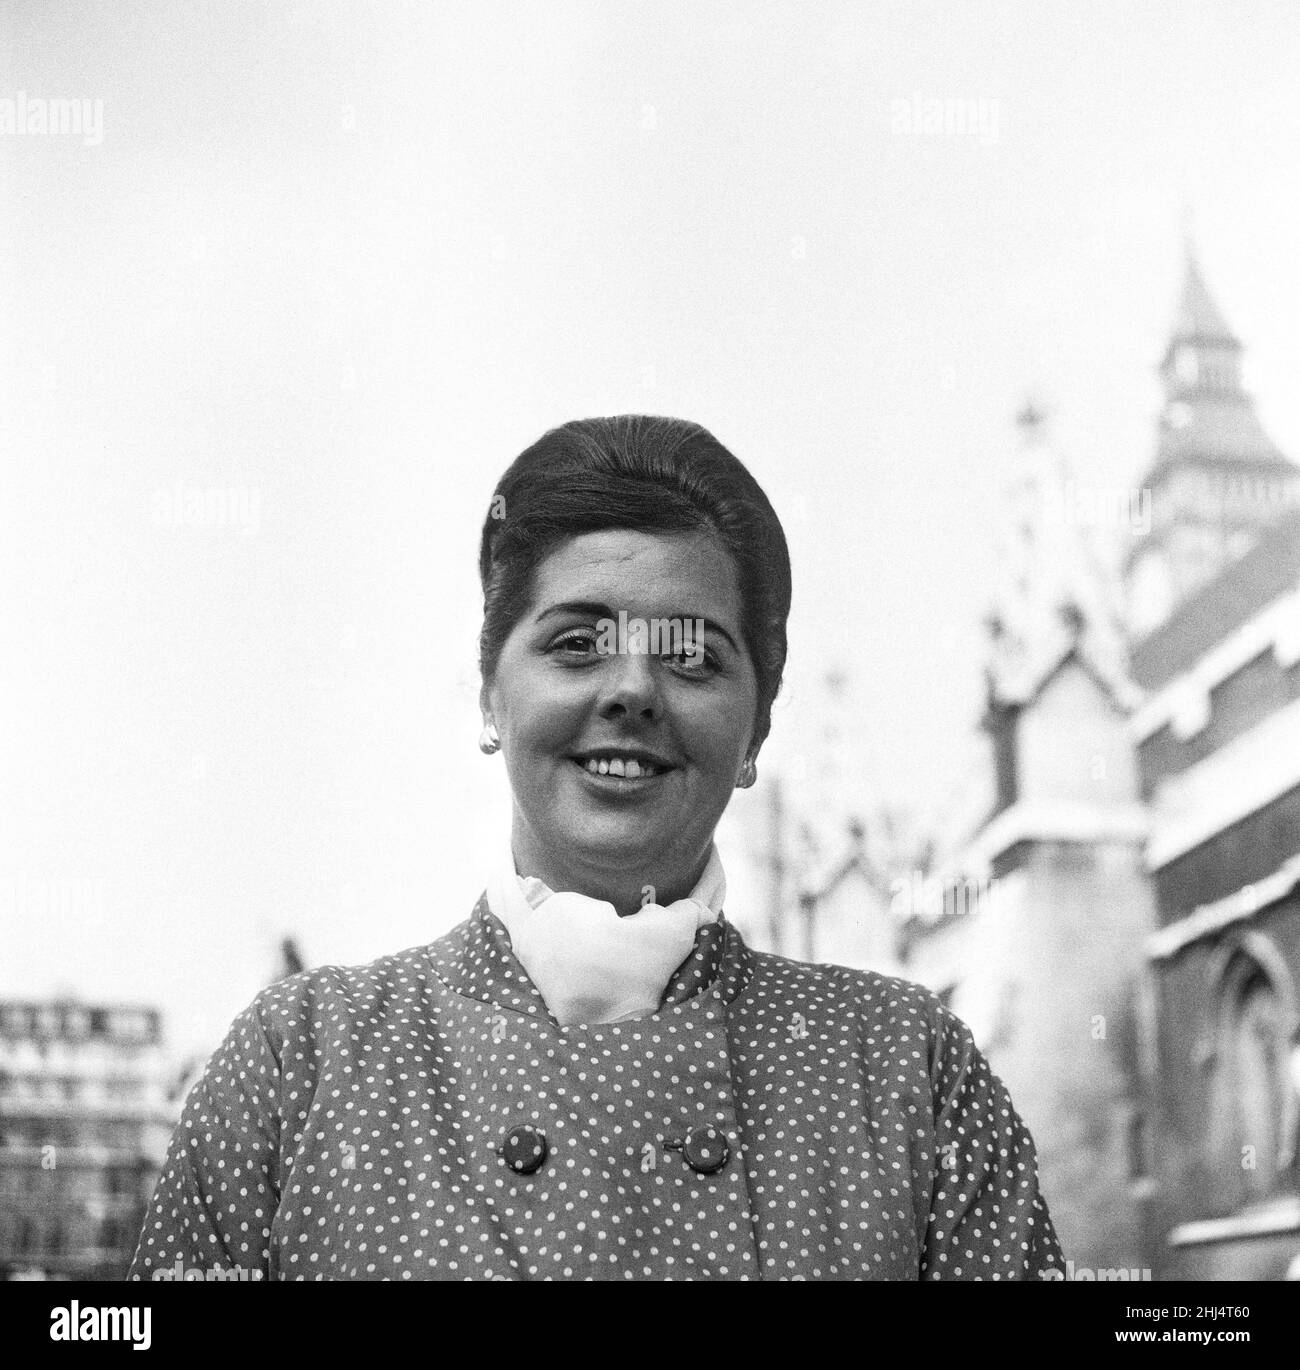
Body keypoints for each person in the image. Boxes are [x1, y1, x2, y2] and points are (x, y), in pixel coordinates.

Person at [129, 415, 1064, 1281]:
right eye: (577, 643)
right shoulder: (300, 1064)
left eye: (692, 655)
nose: (632, 690)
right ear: (492, 696)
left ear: (756, 733)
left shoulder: (904, 1069)